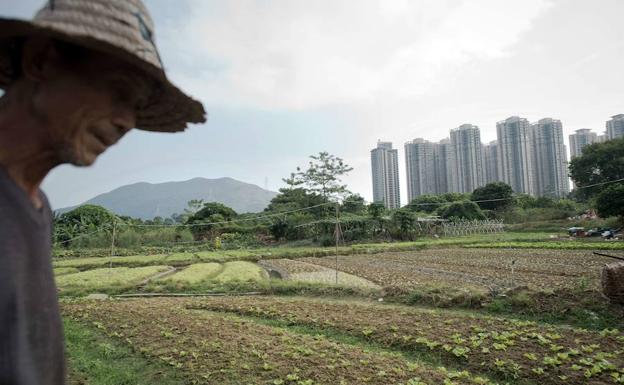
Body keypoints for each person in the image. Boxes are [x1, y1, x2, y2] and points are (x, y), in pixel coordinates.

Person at [0, 1, 206, 384]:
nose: (128, 122)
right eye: (119, 90)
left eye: (137, 106)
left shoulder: (37, 205)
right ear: (40, 61)